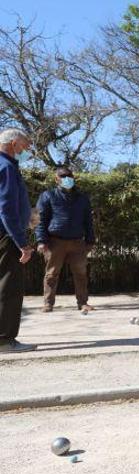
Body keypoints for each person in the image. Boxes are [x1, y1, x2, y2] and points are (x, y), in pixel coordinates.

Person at [35, 167, 96, 313]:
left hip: (77, 241)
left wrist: (90, 240)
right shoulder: (47, 195)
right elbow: (39, 219)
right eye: (62, 176)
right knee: (51, 273)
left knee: (81, 273)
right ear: (56, 179)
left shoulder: (82, 198)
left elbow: (88, 220)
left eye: (69, 176)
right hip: (55, 241)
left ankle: (83, 303)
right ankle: (48, 303)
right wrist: (41, 240)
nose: (66, 178)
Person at [0, 128, 36, 353]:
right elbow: (6, 209)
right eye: (24, 145)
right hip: (6, 235)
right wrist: (21, 243)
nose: (26, 150)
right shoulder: (7, 167)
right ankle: (4, 340)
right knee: (9, 286)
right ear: (13, 144)